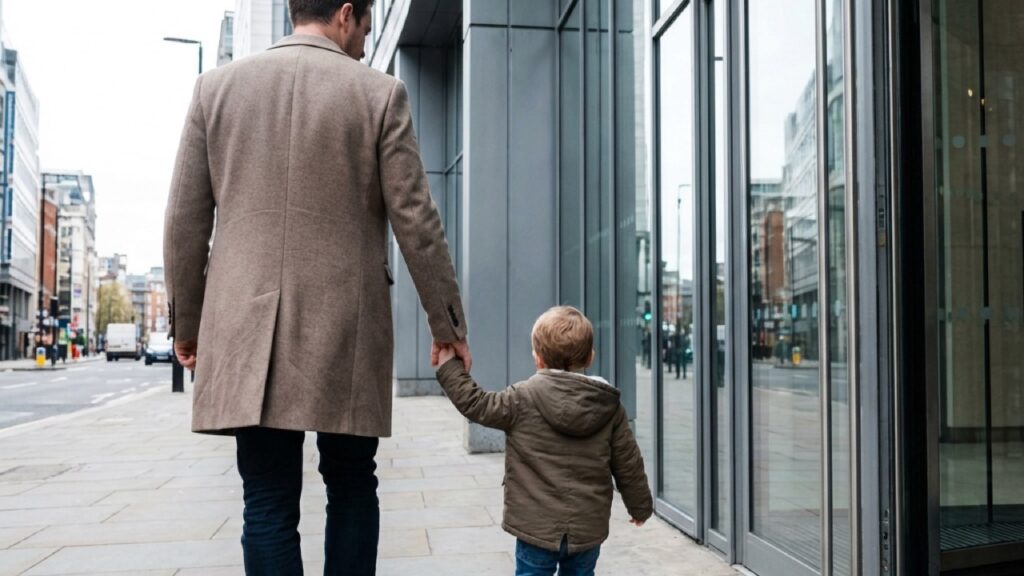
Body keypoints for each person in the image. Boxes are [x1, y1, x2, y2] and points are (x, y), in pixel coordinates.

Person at [162, 1, 470, 574]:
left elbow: (185, 221)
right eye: (365, 30)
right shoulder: (379, 94)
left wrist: (188, 325)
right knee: (352, 483)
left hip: (247, 327)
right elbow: (416, 221)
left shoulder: (216, 89)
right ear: (345, 14)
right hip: (346, 325)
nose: (362, 44)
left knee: (267, 499)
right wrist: (447, 326)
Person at [435, 306, 653, 576]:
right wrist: (640, 506)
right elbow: (628, 463)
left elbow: (476, 404)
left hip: (534, 526)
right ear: (589, 356)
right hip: (587, 527)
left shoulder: (521, 398)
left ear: (538, 359)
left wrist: (449, 367)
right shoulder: (608, 406)